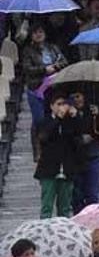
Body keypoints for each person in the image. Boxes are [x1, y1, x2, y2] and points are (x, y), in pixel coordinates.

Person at [22, 23, 69, 162]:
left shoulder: (53, 47)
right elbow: (27, 68)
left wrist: (55, 67)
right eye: (35, 32)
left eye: (41, 31)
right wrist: (44, 69)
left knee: (52, 118)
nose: (38, 34)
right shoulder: (28, 50)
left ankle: (51, 147)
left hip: (53, 88)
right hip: (36, 88)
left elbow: (64, 61)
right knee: (39, 119)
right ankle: (37, 149)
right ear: (31, 35)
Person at [35, 91, 81, 218]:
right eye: (58, 104)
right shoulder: (44, 121)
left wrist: (75, 117)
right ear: (51, 106)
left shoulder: (70, 121)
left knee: (65, 209)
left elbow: (78, 137)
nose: (62, 107)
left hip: (67, 168)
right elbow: (44, 137)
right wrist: (58, 119)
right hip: (49, 169)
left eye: (64, 104)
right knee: (46, 207)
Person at [70, 92, 99, 214]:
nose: (77, 99)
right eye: (74, 97)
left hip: (93, 156)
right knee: (77, 197)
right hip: (75, 159)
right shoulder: (69, 114)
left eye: (78, 96)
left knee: (92, 196)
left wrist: (98, 116)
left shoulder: (92, 111)